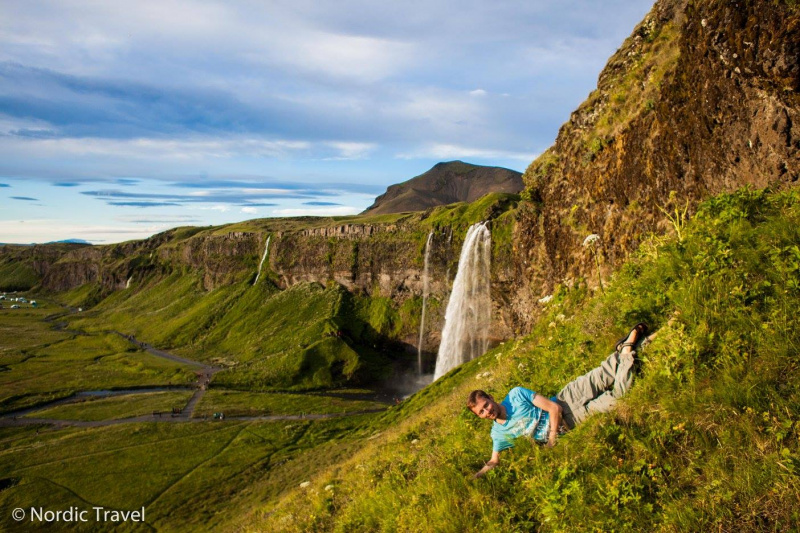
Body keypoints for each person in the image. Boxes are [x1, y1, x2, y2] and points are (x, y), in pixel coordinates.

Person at [468, 323, 648, 478]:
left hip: (566, 399)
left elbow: (554, 408)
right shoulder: (498, 434)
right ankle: (629, 347)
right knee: (618, 398)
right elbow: (493, 460)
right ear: (479, 416)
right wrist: (476, 477)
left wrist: (552, 439)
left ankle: (629, 349)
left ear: (491, 398)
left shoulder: (515, 395)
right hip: (573, 420)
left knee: (604, 374)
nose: (487, 411)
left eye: (486, 405)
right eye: (481, 412)